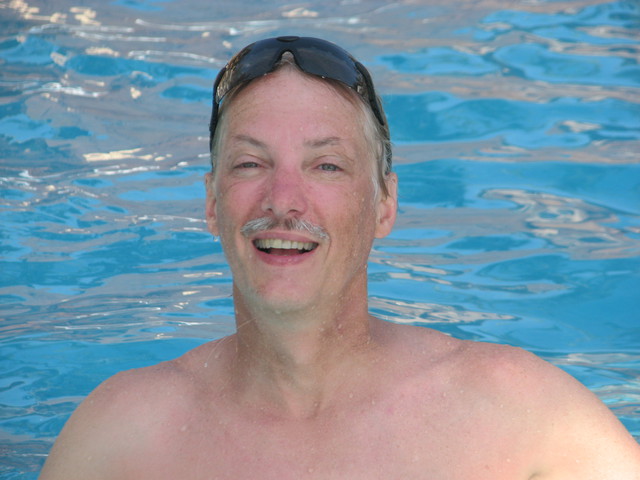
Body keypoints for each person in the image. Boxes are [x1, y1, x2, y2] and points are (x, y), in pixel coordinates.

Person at [40, 35, 640, 480]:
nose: (283, 200)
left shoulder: (522, 419)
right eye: (250, 163)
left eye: (326, 165)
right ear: (212, 204)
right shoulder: (121, 437)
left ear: (384, 205)